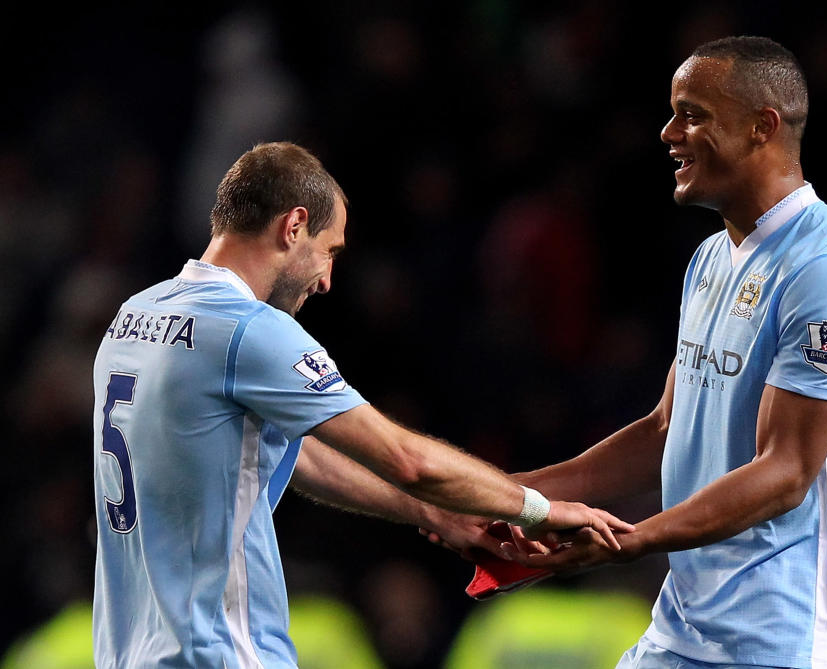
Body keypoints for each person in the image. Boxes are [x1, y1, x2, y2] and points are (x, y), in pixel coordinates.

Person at [427, 36, 827, 668]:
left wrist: (628, 543)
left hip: (795, 637)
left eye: (692, 113)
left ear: (763, 127)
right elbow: (663, 432)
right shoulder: (710, 260)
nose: (667, 132)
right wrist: (506, 498)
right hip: (686, 627)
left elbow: (785, 472)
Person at [91, 141, 634, 668]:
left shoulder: (133, 317)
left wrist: (431, 512)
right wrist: (537, 507)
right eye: (329, 251)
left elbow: (288, 454)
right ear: (294, 225)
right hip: (222, 653)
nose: (327, 280)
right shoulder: (248, 330)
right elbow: (407, 459)